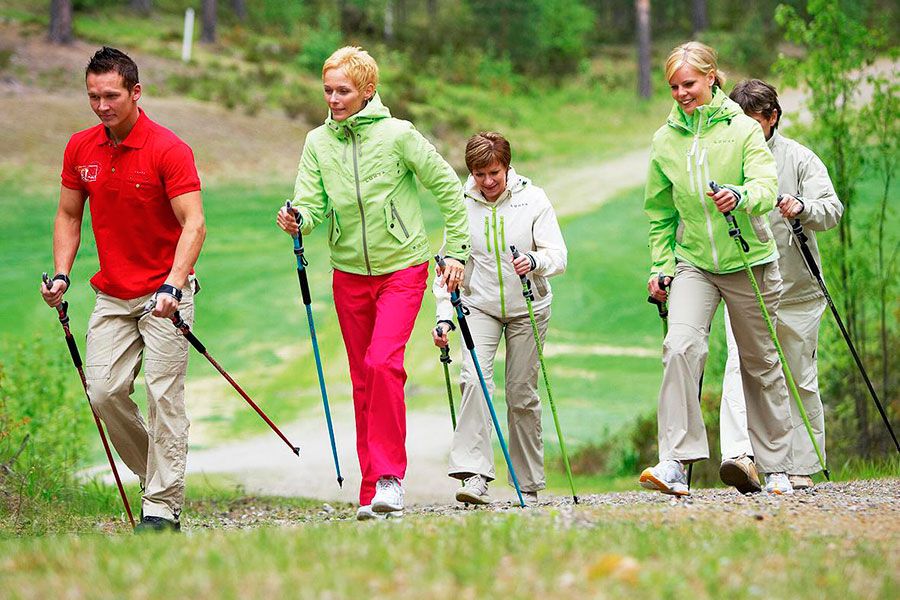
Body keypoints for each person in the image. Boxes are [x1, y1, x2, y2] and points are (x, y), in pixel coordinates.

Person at [276, 46, 469, 520]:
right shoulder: (317, 142)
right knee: (363, 377)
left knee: (383, 363)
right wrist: (299, 217)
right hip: (349, 274)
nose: (334, 99)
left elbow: (447, 186)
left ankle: (390, 478)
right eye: (328, 91)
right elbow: (312, 202)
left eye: (343, 91)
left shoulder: (398, 134)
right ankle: (371, 492)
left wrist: (458, 250)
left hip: (403, 268)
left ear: (367, 90)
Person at [40, 47, 206, 532]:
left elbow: (193, 224)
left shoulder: (168, 149)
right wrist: (62, 274)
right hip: (112, 294)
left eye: (111, 95)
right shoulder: (80, 148)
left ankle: (161, 504)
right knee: (104, 392)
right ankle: (155, 474)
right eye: (93, 96)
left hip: (164, 295)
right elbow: (69, 214)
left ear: (135, 92)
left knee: (162, 394)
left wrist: (175, 283)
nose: (101, 105)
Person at [641, 41, 796, 496]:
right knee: (680, 347)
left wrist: (741, 196)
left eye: (688, 83)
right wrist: (660, 264)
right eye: (673, 86)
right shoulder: (664, 140)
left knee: (759, 362)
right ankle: (675, 461)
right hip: (695, 264)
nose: (682, 93)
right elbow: (659, 213)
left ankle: (778, 467)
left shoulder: (743, 130)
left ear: (711, 77)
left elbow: (765, 187)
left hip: (748, 258)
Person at [718, 79, 843, 492]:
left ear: (772, 119)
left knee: (799, 377)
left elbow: (832, 210)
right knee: (740, 371)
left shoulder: (800, 159)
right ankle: (742, 458)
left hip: (798, 290)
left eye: (753, 123)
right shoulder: (726, 158)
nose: (745, 131)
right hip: (747, 287)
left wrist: (802, 207)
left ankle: (801, 465)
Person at [432, 132, 567, 506]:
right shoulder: (461, 204)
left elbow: (558, 255)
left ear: (507, 167)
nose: (487, 182)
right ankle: (474, 475)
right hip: (479, 304)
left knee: (521, 395)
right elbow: (449, 265)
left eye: (494, 173)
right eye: (479, 174)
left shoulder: (533, 199)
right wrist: (445, 317)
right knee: (473, 380)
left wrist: (535, 261)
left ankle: (528, 483)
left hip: (529, 306)